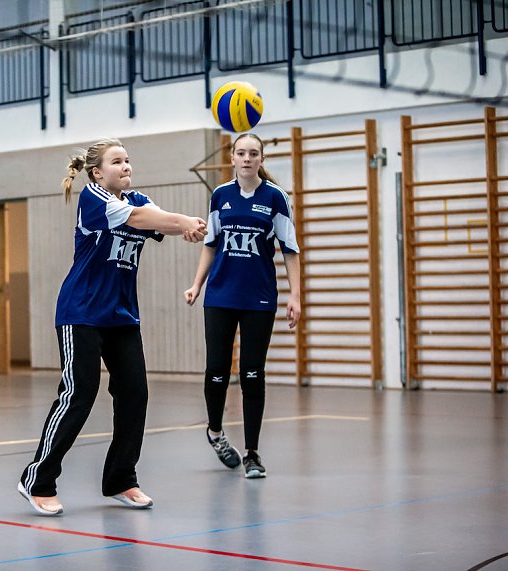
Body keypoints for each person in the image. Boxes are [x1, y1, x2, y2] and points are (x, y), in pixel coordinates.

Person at [19, 138, 207, 515]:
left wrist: (183, 227)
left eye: (128, 160)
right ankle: (37, 479)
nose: (126, 167)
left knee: (135, 394)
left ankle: (121, 479)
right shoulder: (93, 199)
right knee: (79, 394)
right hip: (82, 313)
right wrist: (181, 222)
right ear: (97, 172)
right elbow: (142, 222)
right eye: (116, 162)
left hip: (122, 316)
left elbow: (157, 218)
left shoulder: (137, 199)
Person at [183, 133, 301, 479]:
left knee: (252, 374)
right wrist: (196, 284)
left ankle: (252, 453)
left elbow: (290, 250)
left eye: (253, 153)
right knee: (217, 371)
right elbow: (210, 244)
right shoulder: (221, 195)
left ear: (261, 159)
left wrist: (296, 296)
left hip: (259, 298)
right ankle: (216, 432)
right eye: (241, 153)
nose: (247, 158)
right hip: (220, 295)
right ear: (232, 158)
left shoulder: (275, 198)